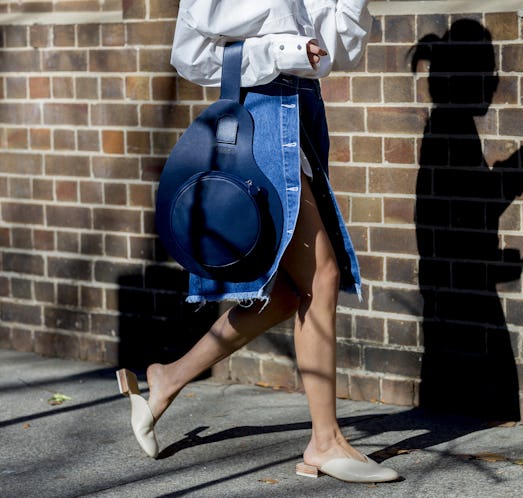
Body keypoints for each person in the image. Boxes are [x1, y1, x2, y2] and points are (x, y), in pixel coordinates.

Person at [115, 0, 399, 484]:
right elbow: (193, 56)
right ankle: (324, 442)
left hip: (303, 115)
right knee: (322, 276)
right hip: (260, 119)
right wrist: (283, 50)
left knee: (292, 291)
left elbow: (336, 52)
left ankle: (168, 377)